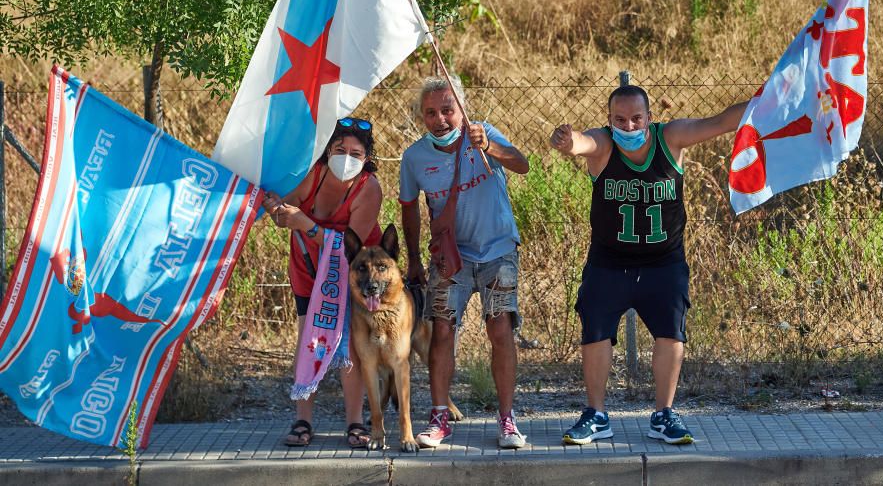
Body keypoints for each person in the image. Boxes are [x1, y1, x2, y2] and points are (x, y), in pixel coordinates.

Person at [550, 84, 748, 445]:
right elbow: (584, 142)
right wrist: (568, 142)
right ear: (609, 120)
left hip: (663, 260)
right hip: (609, 261)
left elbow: (721, 122)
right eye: (620, 119)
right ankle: (596, 414)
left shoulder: (670, 138)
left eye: (636, 118)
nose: (628, 127)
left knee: (670, 332)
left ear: (649, 118)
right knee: (595, 331)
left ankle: (664, 414)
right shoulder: (606, 144)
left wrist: (768, 101)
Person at [400, 76, 530, 450]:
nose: (440, 119)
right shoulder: (414, 158)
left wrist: (490, 146)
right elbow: (409, 210)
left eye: (447, 109)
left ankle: (507, 421)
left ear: (461, 108)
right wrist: (412, 260)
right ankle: (439, 416)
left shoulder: (483, 133)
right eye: (431, 112)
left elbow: (522, 164)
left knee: (500, 329)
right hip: (451, 258)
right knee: (442, 331)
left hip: (497, 250)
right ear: (421, 117)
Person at [262, 117, 383, 449]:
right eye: (340, 149)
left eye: (356, 153)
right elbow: (284, 209)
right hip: (307, 268)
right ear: (327, 150)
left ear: (367, 158)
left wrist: (305, 224)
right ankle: (303, 420)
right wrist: (277, 208)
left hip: (352, 273)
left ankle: (355, 422)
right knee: (308, 340)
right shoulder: (313, 175)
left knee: (351, 348)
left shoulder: (368, 188)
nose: (346, 157)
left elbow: (350, 244)